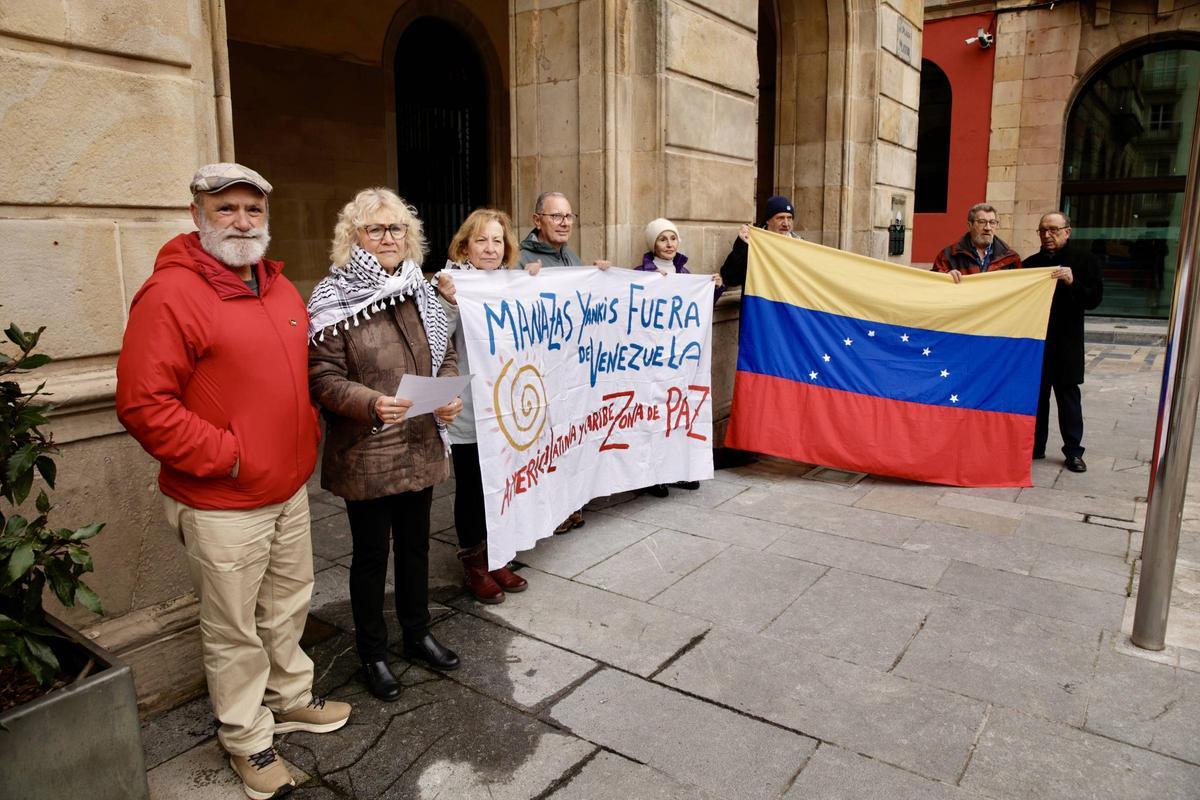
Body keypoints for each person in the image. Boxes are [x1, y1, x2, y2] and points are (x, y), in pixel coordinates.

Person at [116, 163, 350, 799]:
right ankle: (247, 738)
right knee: (233, 629)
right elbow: (143, 404)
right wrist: (231, 456)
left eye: (253, 209)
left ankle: (290, 697)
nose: (242, 221)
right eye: (226, 209)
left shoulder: (279, 288)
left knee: (287, 604)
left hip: (287, 489)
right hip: (222, 499)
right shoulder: (170, 294)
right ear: (197, 215)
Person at [307, 187, 464, 703]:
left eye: (396, 228)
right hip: (367, 450)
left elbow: (442, 353)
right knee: (372, 556)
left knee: (416, 547)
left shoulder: (420, 289)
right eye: (375, 229)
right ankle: (373, 653)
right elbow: (322, 379)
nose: (388, 237)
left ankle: (417, 633)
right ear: (354, 237)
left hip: (420, 443)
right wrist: (371, 402)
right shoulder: (332, 297)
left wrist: (447, 394)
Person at [432, 208, 532, 603]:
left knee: (502, 484)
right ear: (464, 247)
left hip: (508, 407)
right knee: (474, 489)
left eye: (497, 241)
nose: (490, 248)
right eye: (481, 240)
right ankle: (474, 563)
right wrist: (448, 303)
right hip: (471, 411)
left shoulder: (511, 283)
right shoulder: (450, 285)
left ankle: (497, 556)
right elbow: (436, 341)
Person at [517, 190, 609, 533]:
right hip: (541, 371)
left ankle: (570, 506)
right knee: (543, 443)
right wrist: (523, 281)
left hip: (571, 368)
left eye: (569, 216)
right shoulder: (520, 258)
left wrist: (600, 276)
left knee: (568, 437)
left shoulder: (570, 255)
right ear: (537, 220)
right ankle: (548, 512)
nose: (564, 222)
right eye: (556, 216)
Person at [634, 217, 724, 497]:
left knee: (678, 414)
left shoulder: (685, 273)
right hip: (653, 357)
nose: (669, 244)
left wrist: (715, 288)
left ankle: (676, 470)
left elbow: (698, 311)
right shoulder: (640, 273)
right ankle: (653, 476)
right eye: (662, 239)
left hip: (679, 359)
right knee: (655, 415)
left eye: (672, 238)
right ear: (653, 244)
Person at [1022, 211, 1104, 473]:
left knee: (1068, 399)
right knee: (1038, 398)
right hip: (1037, 342)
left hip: (1067, 343)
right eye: (1043, 230)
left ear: (1067, 232)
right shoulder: (1029, 264)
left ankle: (1074, 451)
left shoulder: (1085, 260)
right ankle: (1036, 447)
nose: (1047, 235)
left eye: (1053, 230)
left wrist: (1073, 281)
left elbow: (1094, 300)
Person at [719, 195, 802, 289]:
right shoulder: (752, 241)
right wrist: (742, 245)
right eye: (780, 218)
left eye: (789, 218)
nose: (786, 223)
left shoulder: (800, 245)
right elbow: (730, 278)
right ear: (768, 220)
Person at [932, 202, 1022, 282]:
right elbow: (933, 282)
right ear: (970, 225)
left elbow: (1019, 287)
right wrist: (946, 276)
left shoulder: (1011, 258)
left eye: (992, 222)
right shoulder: (948, 255)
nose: (988, 228)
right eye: (982, 222)